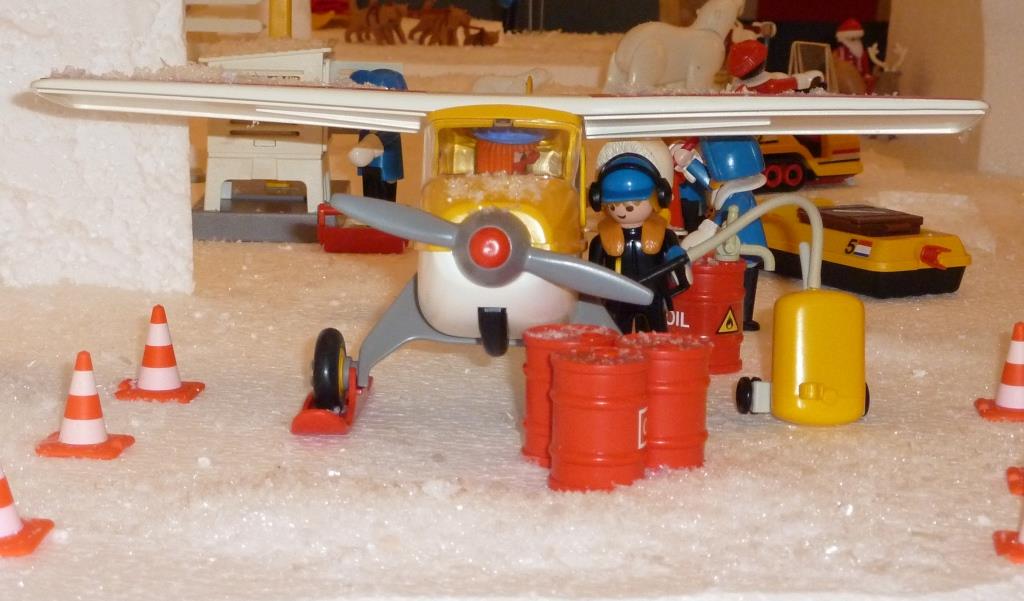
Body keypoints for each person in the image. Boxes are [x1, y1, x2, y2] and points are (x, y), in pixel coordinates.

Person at [587, 153, 685, 333]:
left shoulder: (664, 235)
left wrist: (681, 266)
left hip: (653, 295)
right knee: (617, 334)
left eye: (630, 206)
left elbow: (675, 256)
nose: (621, 212)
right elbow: (594, 272)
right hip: (618, 298)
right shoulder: (601, 241)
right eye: (613, 206)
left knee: (657, 334)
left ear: (658, 198)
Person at [347, 69, 407, 201]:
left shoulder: (391, 124)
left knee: (384, 199)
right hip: (369, 166)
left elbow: (385, 137)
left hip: (384, 166)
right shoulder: (367, 123)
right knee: (369, 195)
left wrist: (368, 144)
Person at [833, 18, 875, 93]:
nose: (855, 42)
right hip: (844, 78)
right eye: (852, 39)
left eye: (857, 39)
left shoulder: (862, 53)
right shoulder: (839, 52)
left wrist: (867, 76)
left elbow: (866, 68)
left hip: (860, 78)